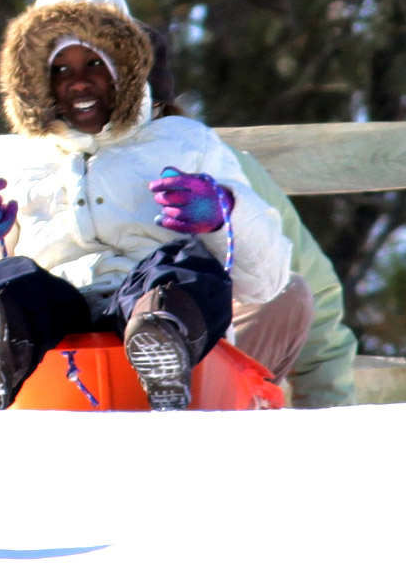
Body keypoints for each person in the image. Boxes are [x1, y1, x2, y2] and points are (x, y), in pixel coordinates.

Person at [0, 0, 299, 412]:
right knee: (5, 283)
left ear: (126, 67)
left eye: (94, 64)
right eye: (60, 70)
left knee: (182, 268)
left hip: (142, 300)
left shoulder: (183, 143)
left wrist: (222, 217)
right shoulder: (9, 158)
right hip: (50, 330)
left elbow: (265, 283)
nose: (77, 83)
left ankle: (162, 340)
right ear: (36, 80)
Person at [140, 25, 357, 408]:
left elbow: (312, 297)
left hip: (206, 381)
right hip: (58, 380)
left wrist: (327, 418)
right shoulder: (25, 168)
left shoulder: (219, 166)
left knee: (284, 294)